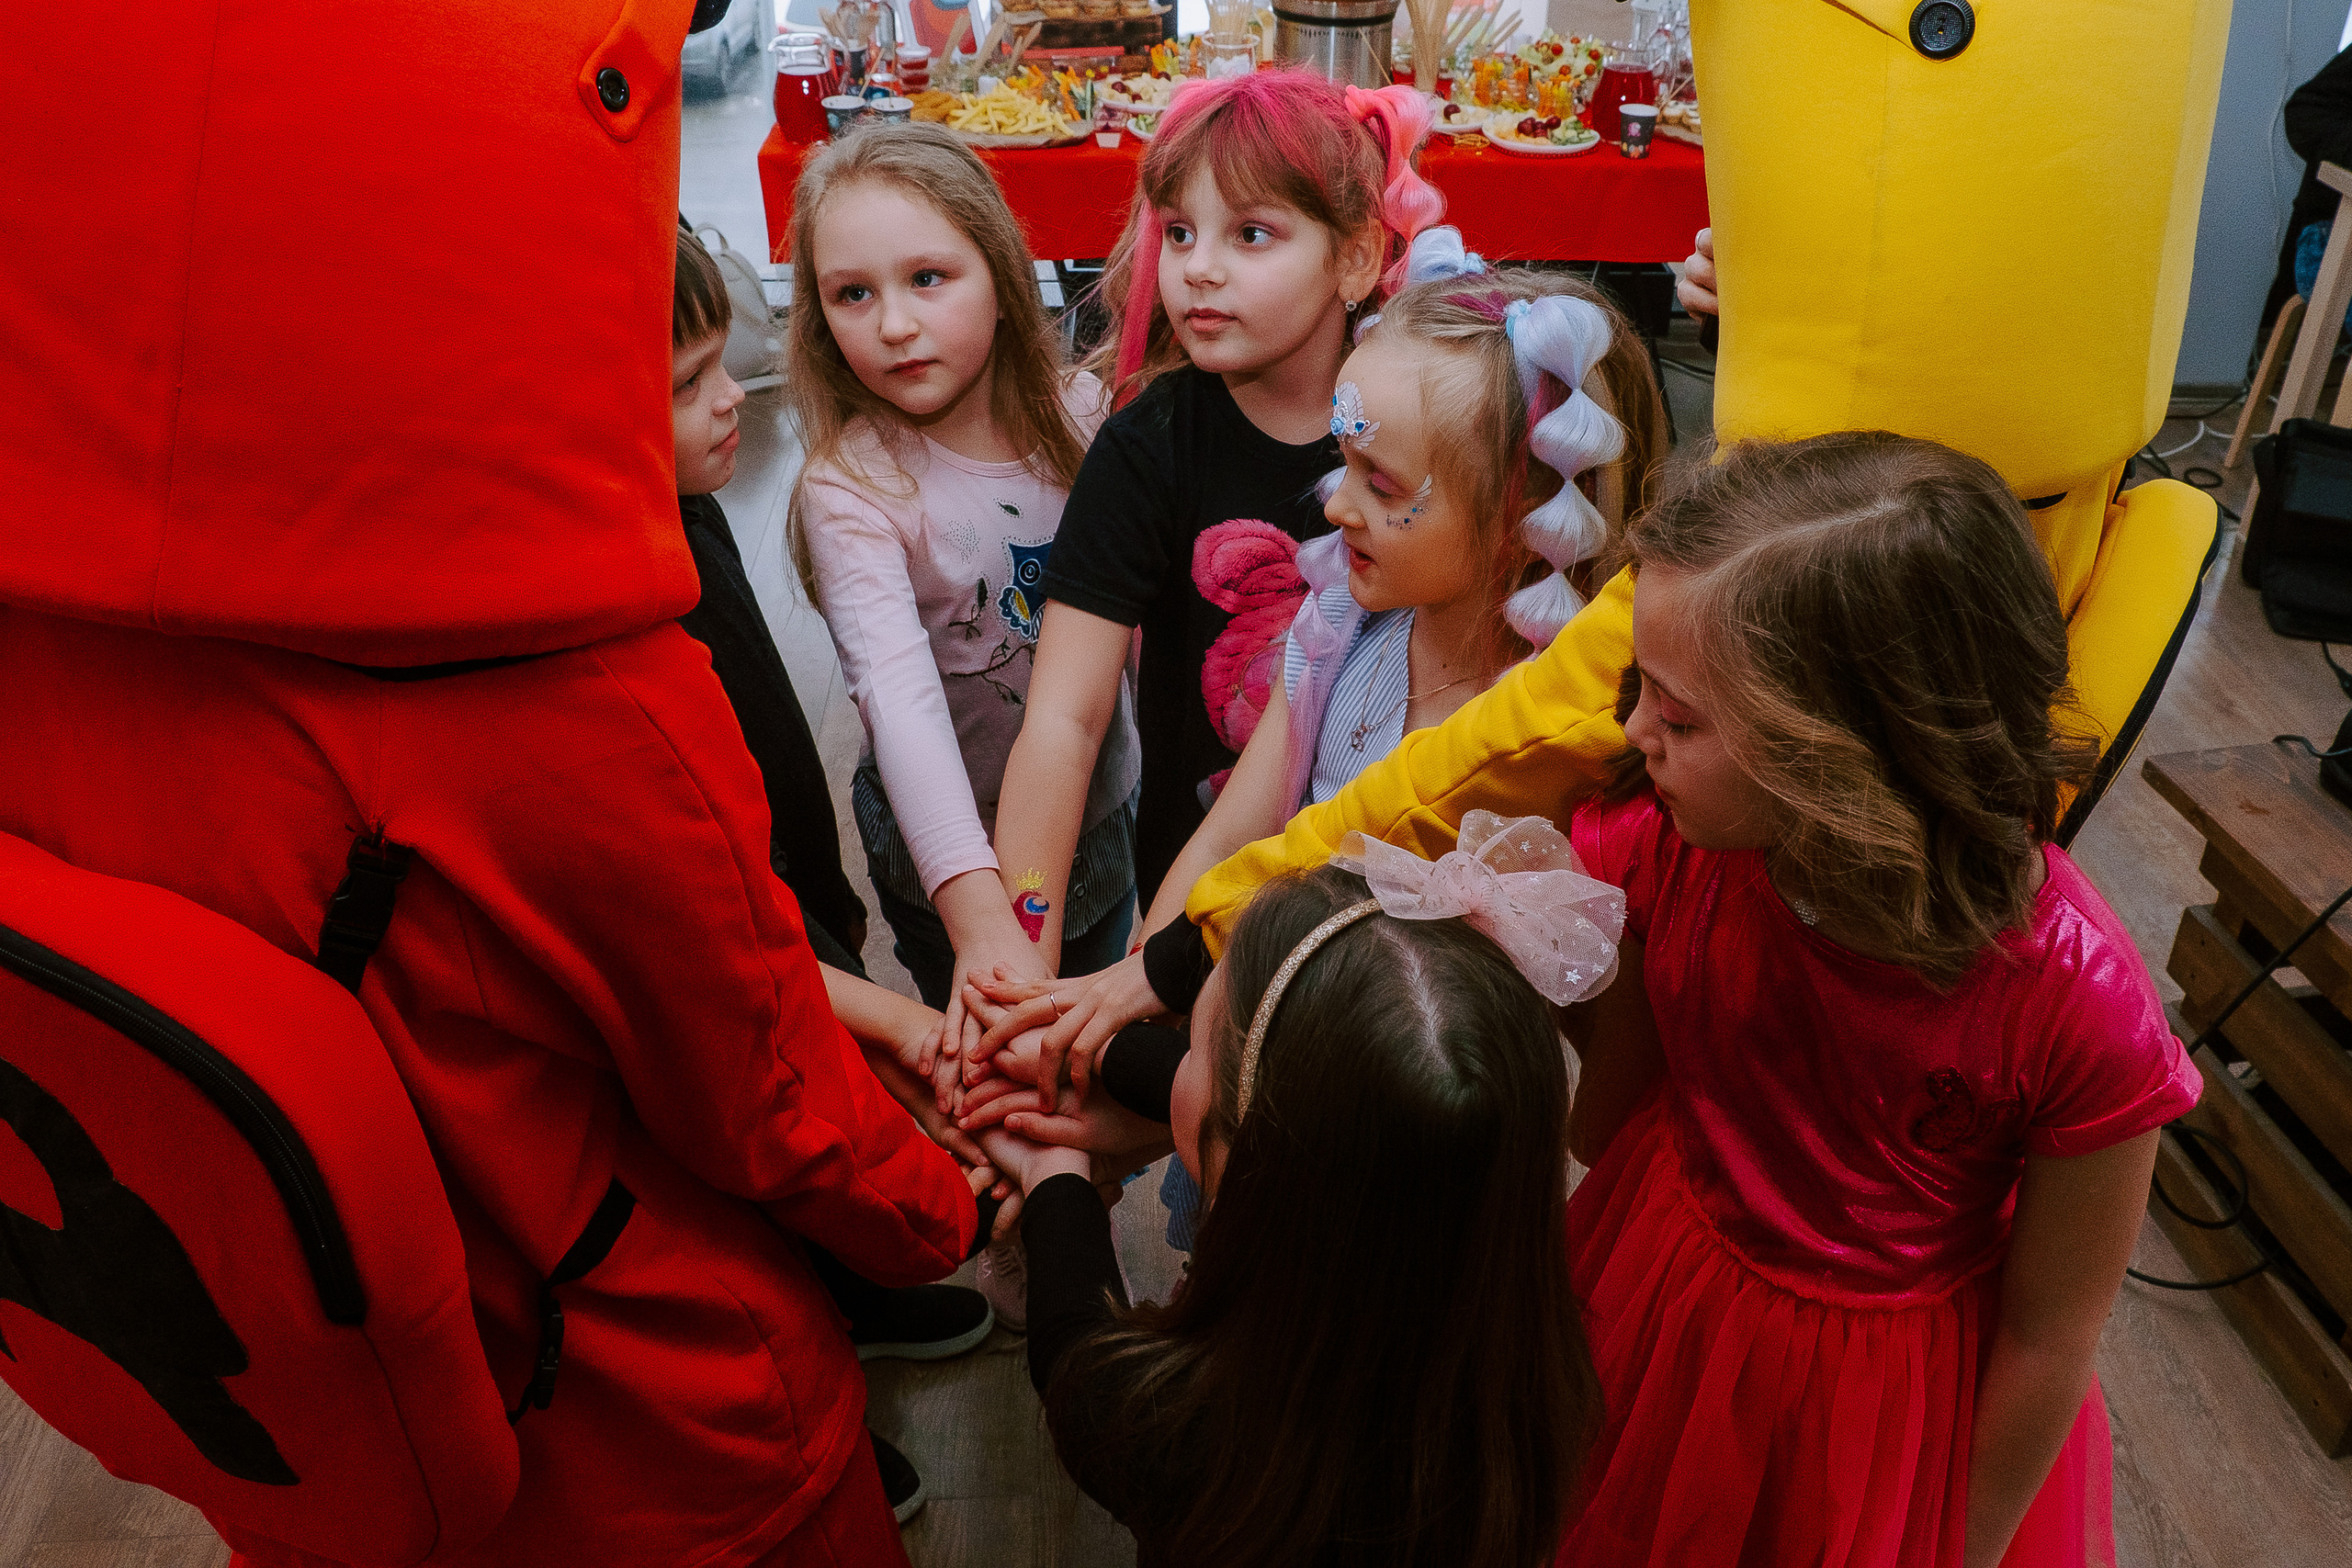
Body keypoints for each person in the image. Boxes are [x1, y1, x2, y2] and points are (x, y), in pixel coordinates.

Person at [1562, 433, 2199, 1565]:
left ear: (1849, 754)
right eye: (1637, 691)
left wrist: (1965, 1543)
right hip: (1660, 1291)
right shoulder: (1677, 849)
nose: (1630, 735)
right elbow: (1603, 1117)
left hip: (1877, 1412)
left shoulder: (2075, 1007)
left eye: (1678, 714)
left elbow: (2054, 1334)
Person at [970, 249, 1666, 1247]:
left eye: (1380, 484)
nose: (1335, 507)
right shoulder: (1339, 628)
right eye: (1341, 463)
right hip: (1239, 1034)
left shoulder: (1555, 743)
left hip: (1389, 1143)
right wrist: (1131, 1003)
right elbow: (1230, 839)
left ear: (1519, 516)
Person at [970, 850, 1611, 1568]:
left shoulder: (1203, 1442)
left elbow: (1078, 1363)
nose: (1177, 1057)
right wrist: (1089, 1045)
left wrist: (1052, 1166)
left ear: (1253, 1166)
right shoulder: (1511, 1368)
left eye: (1192, 1051)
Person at [974, 69, 1441, 1013]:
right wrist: (1024, 950)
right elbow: (1063, 721)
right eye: (1179, 232)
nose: (1197, 268)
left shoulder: (1425, 436)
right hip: (1189, 903)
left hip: (1383, 914)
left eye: (1251, 234)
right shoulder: (1149, 448)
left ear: (1356, 260)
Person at [673, 221, 996, 1522]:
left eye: (723, 365)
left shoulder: (689, 508)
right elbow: (707, 933)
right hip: (736, 939)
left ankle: (851, 1275)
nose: (727, 402)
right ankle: (809, 1394)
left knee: (819, 1030)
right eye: (690, 379)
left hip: (785, 894)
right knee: (759, 1127)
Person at [785, 125, 1142, 1052]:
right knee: (995, 1055)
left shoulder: (1087, 417)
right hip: (947, 852)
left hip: (1102, 812)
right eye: (852, 294)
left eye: (927, 279)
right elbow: (898, 702)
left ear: (1001, 272)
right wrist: (978, 913)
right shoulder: (852, 488)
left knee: (1089, 1032)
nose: (893, 324)